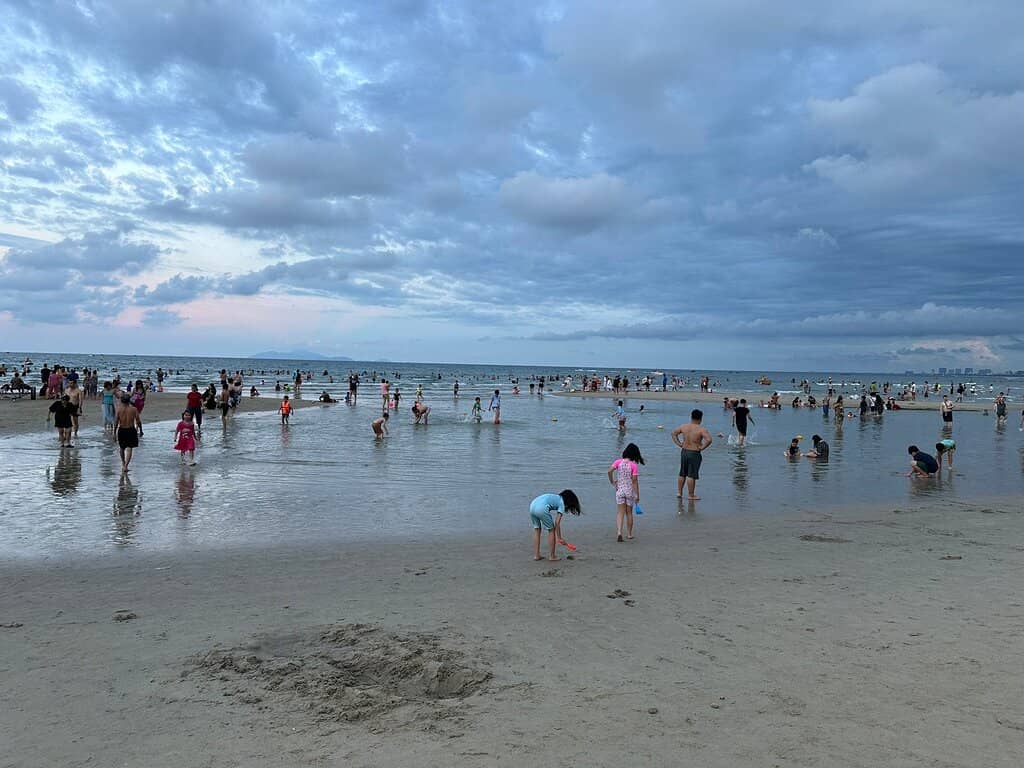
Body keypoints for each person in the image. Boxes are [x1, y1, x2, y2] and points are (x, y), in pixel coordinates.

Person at [671, 409, 713, 500]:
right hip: (694, 452)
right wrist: (702, 448)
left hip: (684, 451)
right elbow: (709, 440)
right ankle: (691, 495)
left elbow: (673, 433)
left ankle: (679, 492)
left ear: (691, 417)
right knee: (691, 474)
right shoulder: (701, 429)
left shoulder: (684, 426)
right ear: (700, 419)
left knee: (682, 473)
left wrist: (679, 444)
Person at [529, 490, 581, 561]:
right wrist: (559, 538)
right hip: (541, 508)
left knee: (537, 529)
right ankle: (552, 556)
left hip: (532, 505)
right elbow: (557, 522)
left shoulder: (556, 497)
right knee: (551, 530)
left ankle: (536, 555)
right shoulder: (562, 502)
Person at [608, 443, 643, 542]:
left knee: (620, 513)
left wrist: (612, 481)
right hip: (629, 491)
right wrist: (637, 495)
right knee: (629, 513)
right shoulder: (633, 465)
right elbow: (635, 481)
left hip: (619, 490)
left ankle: (619, 532)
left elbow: (609, 471)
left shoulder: (618, 462)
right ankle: (629, 534)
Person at [115, 394, 143, 472]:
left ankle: (123, 463)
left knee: (121, 448)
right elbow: (138, 421)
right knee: (130, 448)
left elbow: (116, 422)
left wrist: (114, 433)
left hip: (122, 429)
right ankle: (126, 466)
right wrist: (140, 430)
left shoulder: (119, 409)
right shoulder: (134, 409)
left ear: (122, 401)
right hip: (131, 429)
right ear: (129, 401)